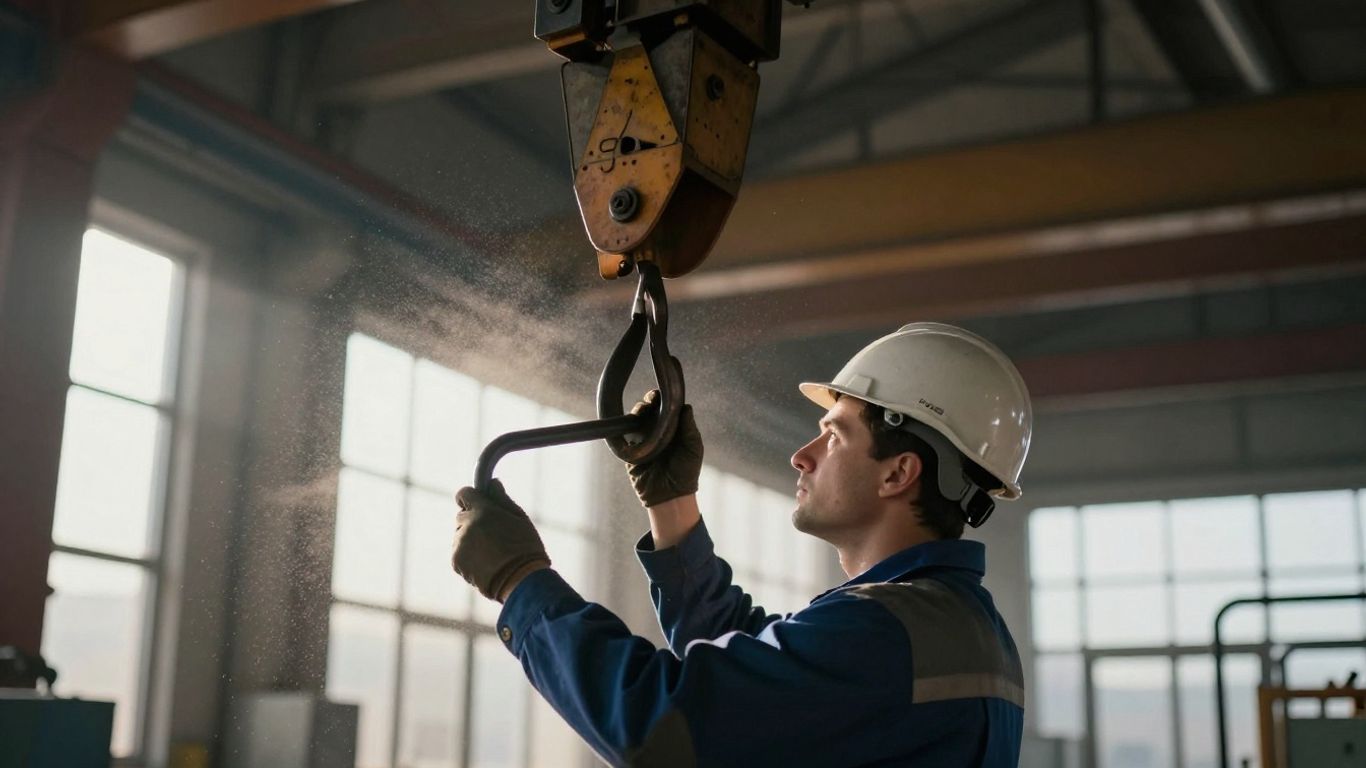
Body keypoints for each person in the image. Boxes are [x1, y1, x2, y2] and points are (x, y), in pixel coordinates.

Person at [452, 322, 1032, 767]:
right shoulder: (945, 624)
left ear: (897, 473)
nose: (802, 455)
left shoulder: (886, 633)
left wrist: (519, 582)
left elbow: (664, 723)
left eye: (835, 434)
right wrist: (671, 503)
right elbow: (754, 667)